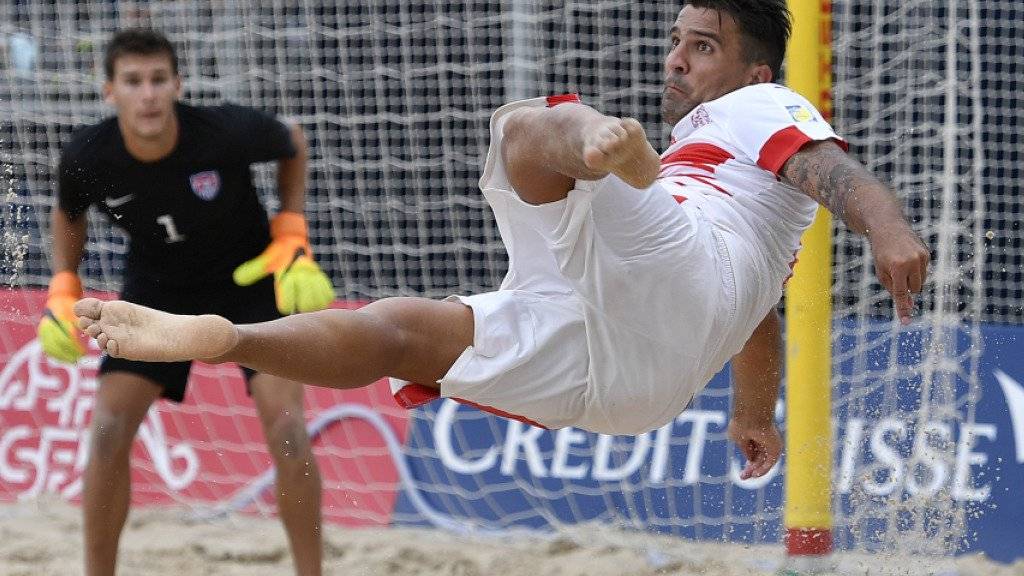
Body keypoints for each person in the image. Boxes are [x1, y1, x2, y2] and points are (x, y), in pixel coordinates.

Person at [75, 1, 929, 483]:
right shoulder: (714, 163)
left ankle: (595, 136)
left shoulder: (761, 107)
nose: (676, 60)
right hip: (639, 374)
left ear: (754, 71)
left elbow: (831, 174)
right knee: (400, 331)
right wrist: (751, 413)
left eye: (700, 47)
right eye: (673, 42)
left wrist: (887, 230)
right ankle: (228, 337)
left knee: (532, 128)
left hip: (670, 275)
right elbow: (752, 311)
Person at [36, 29, 332, 576]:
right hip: (157, 291)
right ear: (110, 91)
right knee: (106, 431)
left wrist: (291, 227)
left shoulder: (221, 132)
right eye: (132, 82)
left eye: (157, 80)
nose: (146, 94)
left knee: (288, 431)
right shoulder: (87, 154)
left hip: (248, 283)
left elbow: (292, 138)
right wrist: (63, 284)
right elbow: (67, 212)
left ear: (177, 84)